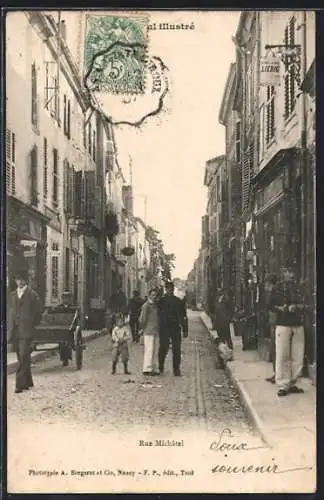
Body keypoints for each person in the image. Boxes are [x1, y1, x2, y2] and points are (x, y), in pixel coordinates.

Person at [268, 266, 306, 397]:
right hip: (283, 323)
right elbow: (270, 305)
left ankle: (293, 382)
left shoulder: (299, 288)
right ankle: (283, 385)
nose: (290, 274)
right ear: (283, 273)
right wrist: (281, 308)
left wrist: (297, 307)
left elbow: (307, 304)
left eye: (291, 271)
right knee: (282, 354)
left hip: (297, 323)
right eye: (288, 271)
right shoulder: (277, 288)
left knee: (298, 355)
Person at [8, 268, 42, 393]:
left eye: (22, 279)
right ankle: (28, 381)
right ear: (15, 281)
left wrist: (30, 324)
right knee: (22, 357)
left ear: (25, 280)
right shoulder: (12, 295)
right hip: (15, 331)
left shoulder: (32, 295)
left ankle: (19, 384)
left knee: (23, 356)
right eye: (17, 279)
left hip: (27, 331)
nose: (20, 282)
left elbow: (38, 313)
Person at [158, 281, 188, 376]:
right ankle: (168, 368)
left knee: (172, 349)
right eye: (168, 288)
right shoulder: (163, 301)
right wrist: (185, 329)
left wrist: (185, 328)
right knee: (169, 348)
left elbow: (183, 316)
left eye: (170, 288)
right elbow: (183, 316)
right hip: (169, 327)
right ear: (167, 289)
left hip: (170, 327)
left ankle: (169, 368)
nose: (169, 290)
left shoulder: (164, 301)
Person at [139, 288, 160, 375]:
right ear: (149, 295)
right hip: (148, 330)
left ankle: (154, 368)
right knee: (149, 350)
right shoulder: (146, 306)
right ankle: (147, 369)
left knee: (155, 350)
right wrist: (142, 328)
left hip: (155, 330)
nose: (154, 297)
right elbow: (142, 319)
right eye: (153, 295)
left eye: (155, 295)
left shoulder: (156, 305)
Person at [264, 274, 278, 384]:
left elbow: (271, 307)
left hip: (275, 324)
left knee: (276, 350)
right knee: (275, 350)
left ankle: (277, 374)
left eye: (267, 284)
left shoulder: (274, 294)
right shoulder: (271, 294)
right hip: (273, 323)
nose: (265, 286)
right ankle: (276, 373)